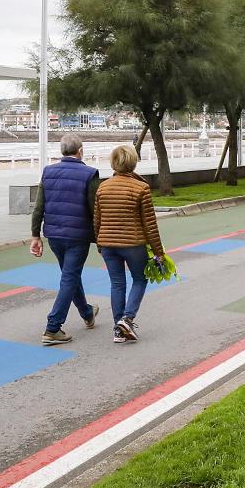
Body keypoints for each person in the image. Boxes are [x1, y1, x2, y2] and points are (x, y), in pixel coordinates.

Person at [31, 133, 100, 345]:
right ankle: (53, 327)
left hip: (54, 235)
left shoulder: (48, 172)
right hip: (78, 236)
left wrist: (35, 235)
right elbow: (95, 210)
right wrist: (100, 240)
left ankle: (87, 313)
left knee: (71, 275)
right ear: (80, 151)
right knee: (69, 277)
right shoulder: (89, 174)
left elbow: (39, 206)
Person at [94, 145, 166, 344]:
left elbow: (97, 220)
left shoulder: (103, 187)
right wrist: (159, 252)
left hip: (108, 243)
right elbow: (149, 224)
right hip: (133, 244)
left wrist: (100, 244)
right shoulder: (141, 188)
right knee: (140, 279)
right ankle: (127, 319)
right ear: (133, 163)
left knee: (117, 284)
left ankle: (119, 329)